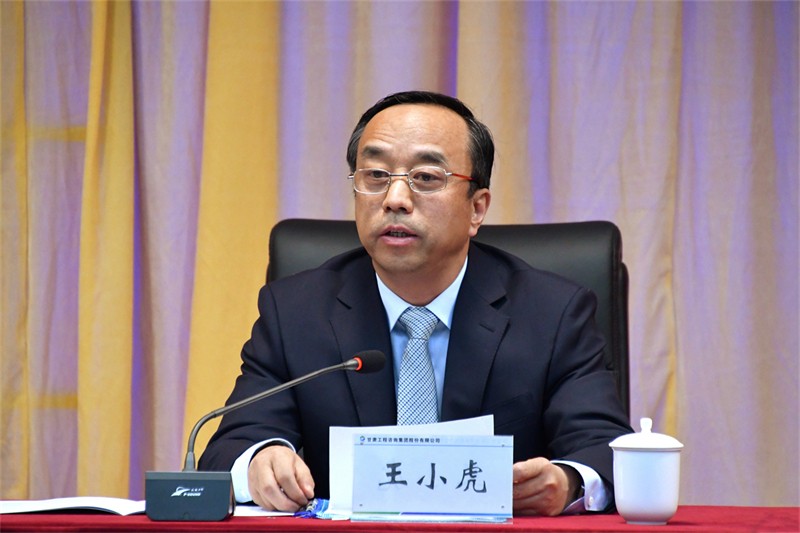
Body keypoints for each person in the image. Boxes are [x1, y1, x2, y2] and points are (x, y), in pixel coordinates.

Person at [198, 90, 631, 516]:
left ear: (477, 208)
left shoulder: (553, 313)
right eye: (376, 175)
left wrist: (568, 481)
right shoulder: (296, 311)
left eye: (426, 177)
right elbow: (230, 447)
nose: (395, 199)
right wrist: (259, 460)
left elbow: (603, 448)